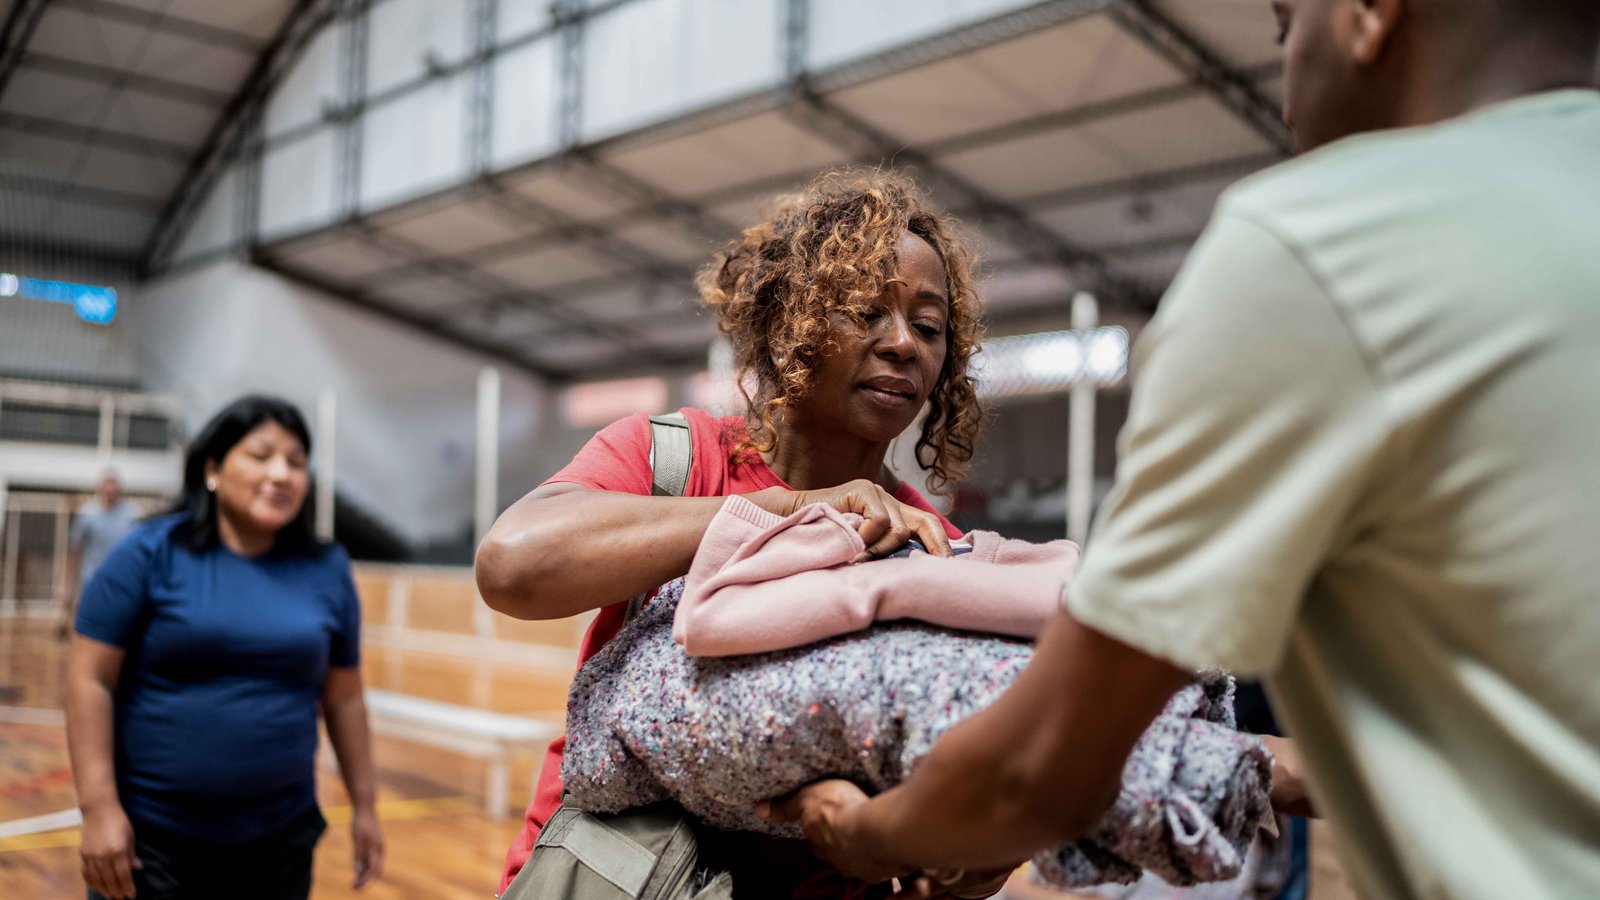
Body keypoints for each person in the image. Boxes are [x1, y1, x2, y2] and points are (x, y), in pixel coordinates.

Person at [763, 1, 1600, 898]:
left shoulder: (1317, 250)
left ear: (1367, 12)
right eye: (865, 314)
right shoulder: (682, 460)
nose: (1284, 96)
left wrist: (865, 833)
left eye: (1286, 31)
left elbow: (1044, 763)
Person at [477, 168, 1008, 899]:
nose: (903, 346)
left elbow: (962, 853)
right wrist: (796, 510)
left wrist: (945, 850)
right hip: (612, 879)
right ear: (791, 321)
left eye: (928, 326)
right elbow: (512, 566)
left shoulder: (931, 542)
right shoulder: (674, 457)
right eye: (866, 311)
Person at [64, 396, 384, 900]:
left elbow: (344, 697)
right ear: (212, 468)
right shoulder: (148, 551)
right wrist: (99, 809)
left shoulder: (327, 568)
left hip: (279, 849)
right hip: (152, 847)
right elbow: (89, 679)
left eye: (296, 462)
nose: (281, 473)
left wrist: (365, 807)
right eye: (261, 455)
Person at [56, 471, 141, 640]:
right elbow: (74, 550)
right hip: (92, 582)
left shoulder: (133, 514)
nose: (110, 497)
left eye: (114, 493)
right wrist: (65, 584)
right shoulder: (87, 513)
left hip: (123, 583)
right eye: (107, 493)